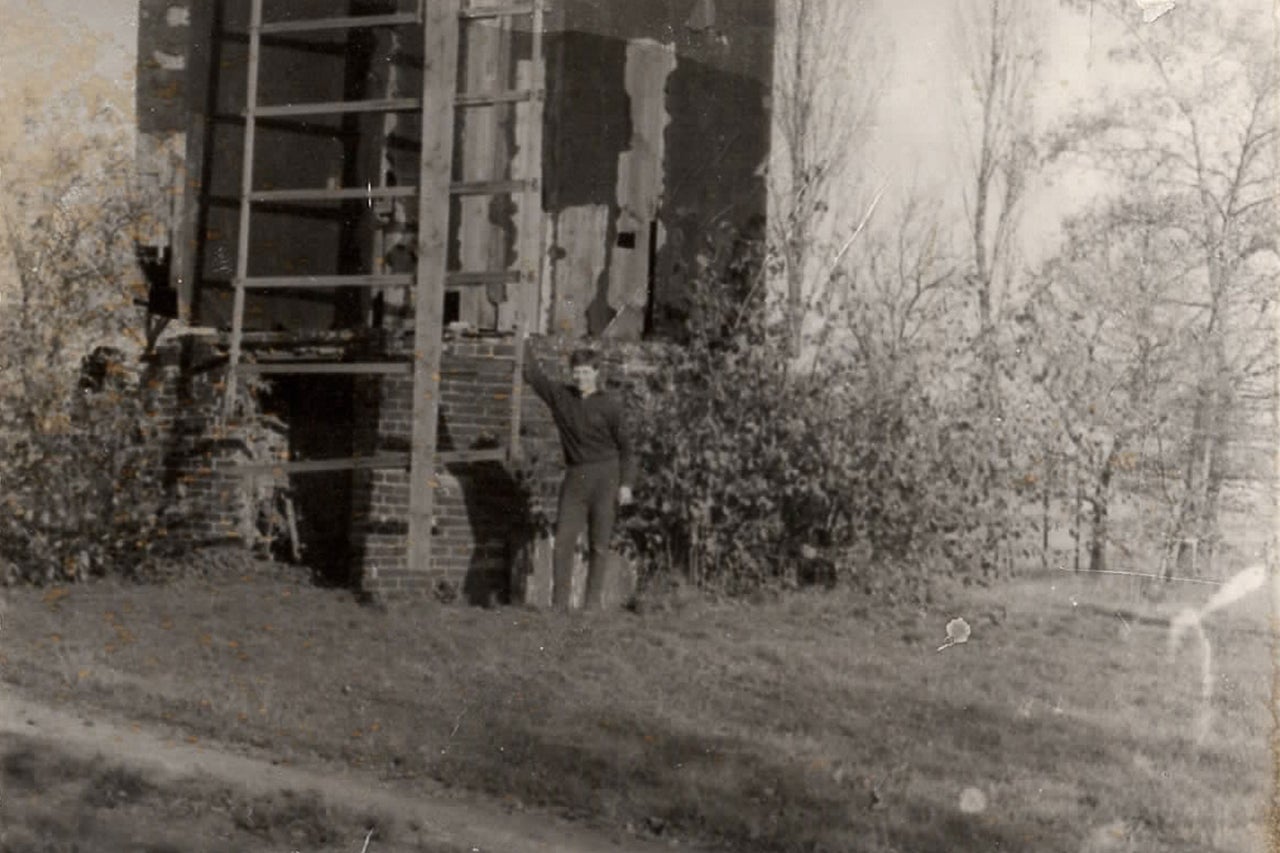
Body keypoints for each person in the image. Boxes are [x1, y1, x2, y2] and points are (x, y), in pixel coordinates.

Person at [523, 339, 636, 610]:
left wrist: (626, 485)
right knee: (563, 539)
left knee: (599, 543)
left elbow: (627, 449)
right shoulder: (562, 397)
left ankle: (592, 606)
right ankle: (559, 605)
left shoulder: (610, 406)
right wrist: (523, 339)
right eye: (576, 372)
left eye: (586, 372)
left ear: (596, 373)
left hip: (606, 476)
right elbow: (533, 376)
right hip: (576, 476)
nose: (580, 377)